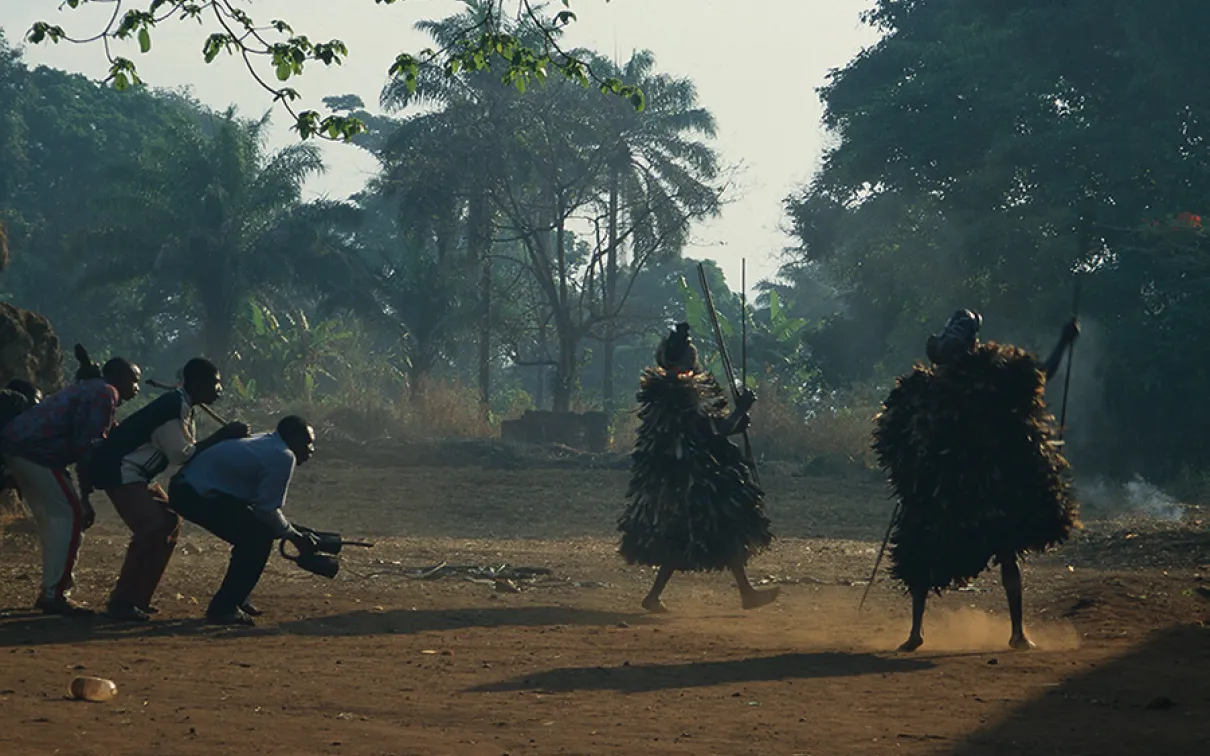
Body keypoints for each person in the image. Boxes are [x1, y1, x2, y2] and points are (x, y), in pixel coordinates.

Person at [873, 309, 1081, 652]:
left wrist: (1063, 341)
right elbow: (901, 439)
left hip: (976, 481)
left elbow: (1039, 375)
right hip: (957, 484)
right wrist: (1064, 341)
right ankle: (926, 631)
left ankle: (1006, 631)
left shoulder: (973, 380)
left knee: (994, 548)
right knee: (926, 551)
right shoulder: (932, 388)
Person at [618, 322, 778, 613]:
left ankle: (742, 592)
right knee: (716, 527)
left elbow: (708, 430)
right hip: (694, 478)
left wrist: (734, 421)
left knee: (690, 534)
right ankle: (744, 593)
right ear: (686, 361)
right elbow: (713, 430)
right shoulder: (683, 394)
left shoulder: (662, 392)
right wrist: (742, 409)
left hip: (674, 477)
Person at [89, 358, 250, 622]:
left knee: (170, 521)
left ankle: (138, 599)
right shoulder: (174, 407)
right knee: (151, 526)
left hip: (139, 474)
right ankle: (123, 602)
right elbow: (181, 454)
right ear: (198, 384)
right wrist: (225, 435)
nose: (219, 389)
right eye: (216, 382)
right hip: (121, 470)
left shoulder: (183, 406)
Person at [0, 357, 141, 615]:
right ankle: (55, 594)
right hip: (36, 452)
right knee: (72, 515)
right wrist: (85, 497)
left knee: (56, 518)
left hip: (21, 448)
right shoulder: (105, 392)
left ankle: (52, 590)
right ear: (118, 376)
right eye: (134, 379)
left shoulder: (90, 388)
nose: (137, 387)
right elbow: (87, 447)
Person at [167, 415, 319, 626]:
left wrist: (289, 530)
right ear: (293, 440)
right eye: (307, 443)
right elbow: (266, 509)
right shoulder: (282, 456)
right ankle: (225, 607)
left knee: (254, 532)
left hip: (189, 487)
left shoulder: (268, 441)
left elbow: (262, 508)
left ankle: (238, 595)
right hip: (193, 494)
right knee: (257, 537)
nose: (311, 450)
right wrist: (293, 535)